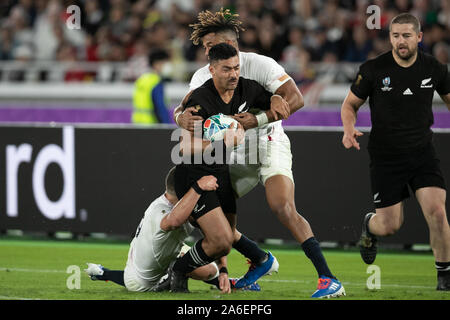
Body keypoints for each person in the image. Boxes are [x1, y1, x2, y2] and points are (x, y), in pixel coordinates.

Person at [173, 8, 345, 298]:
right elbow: (185, 108)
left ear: (231, 45)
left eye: (211, 46)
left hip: (269, 142)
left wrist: (258, 119)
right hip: (235, 151)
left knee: (282, 206)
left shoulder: (260, 65)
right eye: (205, 49)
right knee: (212, 212)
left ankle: (328, 279)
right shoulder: (203, 75)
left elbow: (296, 99)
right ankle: (254, 262)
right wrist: (180, 118)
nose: (207, 53)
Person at [341, 13, 450, 291]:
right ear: (390, 37)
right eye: (396, 36)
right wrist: (348, 128)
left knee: (437, 211)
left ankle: (445, 276)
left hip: (423, 153)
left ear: (419, 37)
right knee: (390, 226)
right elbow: (349, 105)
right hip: (386, 156)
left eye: (407, 36)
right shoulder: (374, 69)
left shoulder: (435, 69)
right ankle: (370, 225)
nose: (401, 42)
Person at [169, 43, 279, 293]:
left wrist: (277, 98)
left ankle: (228, 271)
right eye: (226, 69)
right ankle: (178, 269)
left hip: (221, 174)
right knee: (221, 239)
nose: (233, 74)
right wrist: (220, 139)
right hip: (195, 176)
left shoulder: (246, 89)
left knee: (226, 237)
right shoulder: (200, 100)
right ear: (212, 70)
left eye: (236, 68)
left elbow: (273, 99)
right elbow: (185, 148)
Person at [84, 167, 260, 293]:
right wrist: (198, 187)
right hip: (140, 277)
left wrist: (223, 269)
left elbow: (216, 234)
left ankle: (225, 281)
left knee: (210, 271)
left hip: (168, 250)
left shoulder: (187, 203)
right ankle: (103, 273)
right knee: (139, 282)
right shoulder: (161, 212)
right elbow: (172, 222)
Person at [131, 49, 171, 124]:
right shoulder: (156, 82)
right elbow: (160, 107)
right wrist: (167, 125)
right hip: (151, 124)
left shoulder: (141, 79)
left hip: (137, 122)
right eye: (165, 63)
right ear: (157, 64)